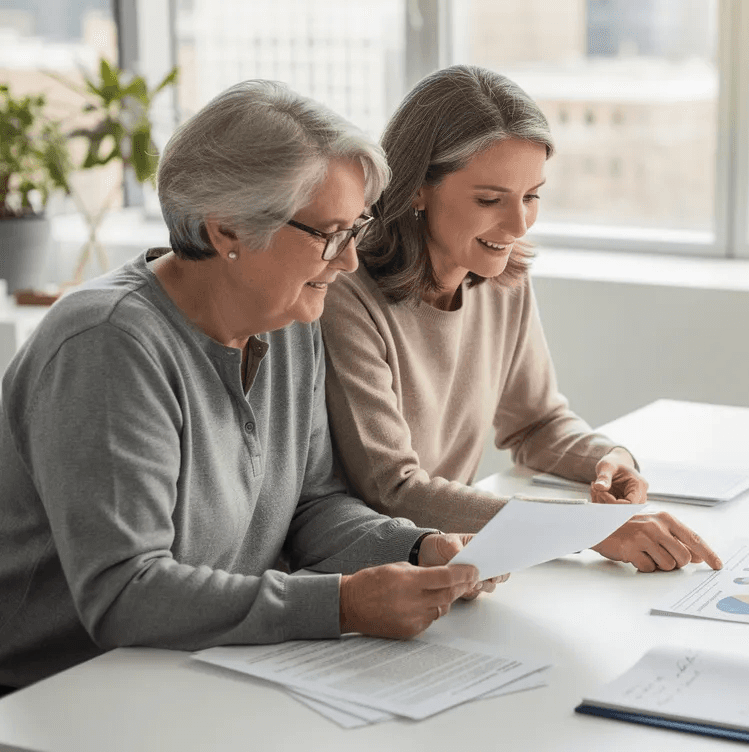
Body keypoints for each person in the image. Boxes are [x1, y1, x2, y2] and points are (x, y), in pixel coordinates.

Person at [0, 81, 502, 694]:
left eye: (356, 229)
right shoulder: (108, 345)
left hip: (194, 675)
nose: (348, 262)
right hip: (55, 698)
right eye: (329, 234)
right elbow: (124, 593)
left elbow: (312, 506)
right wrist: (341, 605)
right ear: (227, 231)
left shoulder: (287, 318)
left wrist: (416, 546)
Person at [320, 65, 722, 574]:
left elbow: (536, 423)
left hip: (450, 566)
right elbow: (393, 489)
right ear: (416, 189)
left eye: (532, 196)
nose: (518, 225)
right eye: (490, 200)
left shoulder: (500, 277)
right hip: (367, 572)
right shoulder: (346, 295)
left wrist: (611, 457)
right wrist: (584, 530)